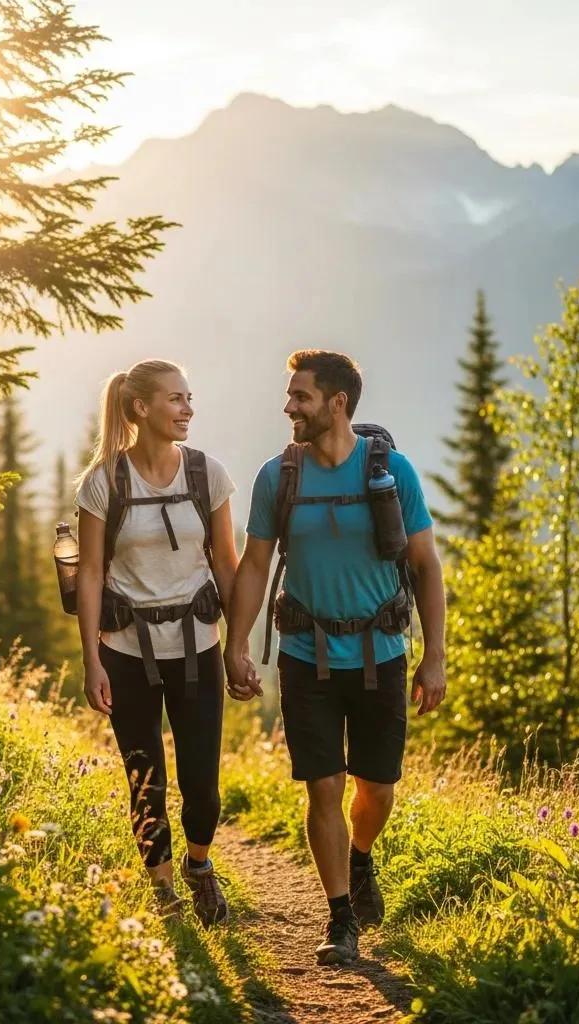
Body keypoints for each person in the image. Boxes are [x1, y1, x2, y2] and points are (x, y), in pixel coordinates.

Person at [224, 349, 447, 965]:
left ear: (336, 403)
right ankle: (341, 917)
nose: (288, 406)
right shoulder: (279, 476)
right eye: (290, 395)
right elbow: (254, 564)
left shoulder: (392, 471)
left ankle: (362, 855)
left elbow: (427, 566)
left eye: (301, 396)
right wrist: (236, 644)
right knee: (323, 787)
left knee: (376, 787)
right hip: (305, 653)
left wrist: (435, 657)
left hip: (382, 653)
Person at [75, 358, 248, 925]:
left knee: (203, 785)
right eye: (176, 399)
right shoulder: (102, 483)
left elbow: (226, 563)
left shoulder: (207, 475)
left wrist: (237, 645)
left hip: (198, 645)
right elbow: (93, 574)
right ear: (141, 407)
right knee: (144, 779)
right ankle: (164, 892)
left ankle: (199, 866)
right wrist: (92, 659)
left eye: (189, 398)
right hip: (126, 653)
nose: (188, 409)